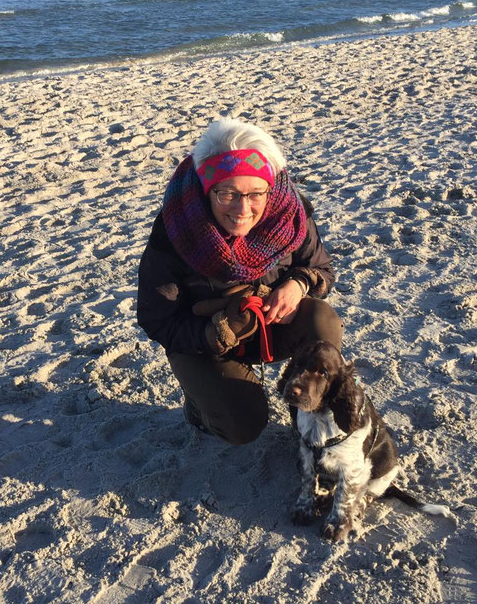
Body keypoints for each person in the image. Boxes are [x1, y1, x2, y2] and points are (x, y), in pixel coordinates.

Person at [137, 118, 342, 445]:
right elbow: (155, 318)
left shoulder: (290, 213)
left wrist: (298, 284)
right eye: (227, 193)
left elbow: (321, 269)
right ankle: (199, 407)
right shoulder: (176, 228)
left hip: (268, 326)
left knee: (322, 318)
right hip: (202, 344)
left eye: (255, 193)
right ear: (207, 189)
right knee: (243, 426)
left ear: (269, 188)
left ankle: (306, 417)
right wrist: (214, 332)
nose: (243, 209)